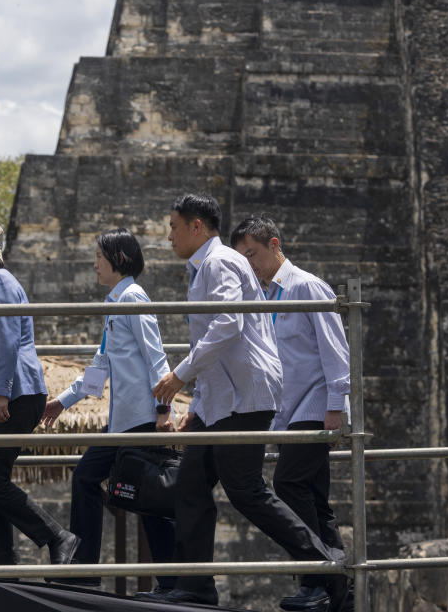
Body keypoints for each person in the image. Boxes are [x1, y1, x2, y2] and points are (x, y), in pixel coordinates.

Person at [143, 194, 348, 609]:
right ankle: (195, 583)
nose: (168, 236)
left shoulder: (220, 262)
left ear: (196, 226)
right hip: (224, 399)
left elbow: (228, 323)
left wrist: (181, 374)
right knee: (191, 483)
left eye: (173, 226)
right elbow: (213, 344)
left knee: (247, 489)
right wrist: (197, 406)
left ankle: (324, 565)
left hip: (246, 398)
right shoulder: (205, 268)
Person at [41, 228, 176, 592]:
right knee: (90, 479)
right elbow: (99, 367)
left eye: (99, 257)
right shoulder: (116, 301)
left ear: (118, 259)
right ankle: (85, 571)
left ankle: (173, 581)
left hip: (142, 420)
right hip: (121, 424)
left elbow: (156, 356)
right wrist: (62, 401)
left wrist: (164, 408)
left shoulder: (133, 298)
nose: (94, 264)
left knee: (150, 498)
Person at [231, 214, 350, 610]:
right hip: (289, 409)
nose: (250, 264)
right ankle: (339, 589)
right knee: (316, 500)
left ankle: (315, 576)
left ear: (275, 245)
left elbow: (336, 351)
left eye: (254, 254)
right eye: (243, 258)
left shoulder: (307, 286)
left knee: (287, 484)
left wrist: (336, 405)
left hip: (314, 405)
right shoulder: (266, 298)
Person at [0, 215, 80, 567]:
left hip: (17, 393)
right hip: (8, 393)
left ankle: (56, 537)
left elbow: (7, 341)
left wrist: (0, 394)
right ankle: (2, 561)